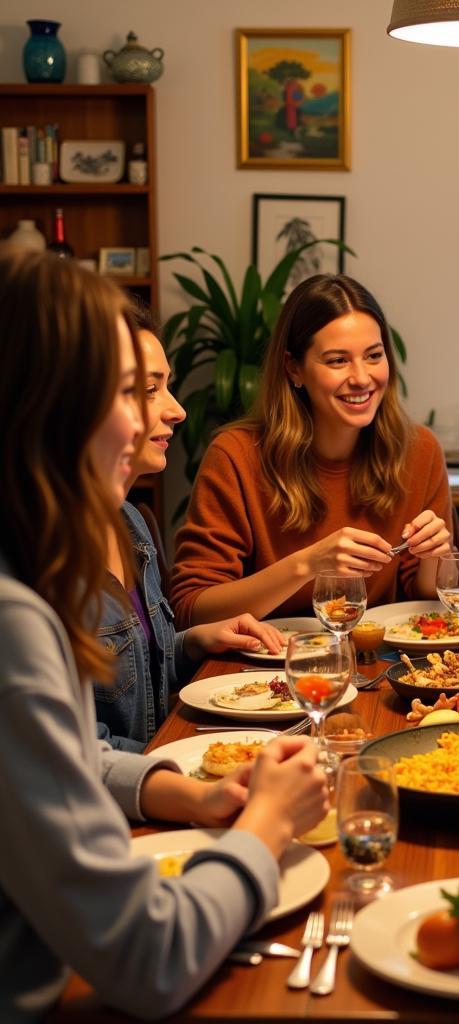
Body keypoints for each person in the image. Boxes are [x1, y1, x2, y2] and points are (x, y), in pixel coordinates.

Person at [0, 250, 329, 1021]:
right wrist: (268, 822)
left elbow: (71, 756)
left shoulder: (62, 556)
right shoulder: (16, 621)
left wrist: (189, 795)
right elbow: (147, 958)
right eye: (128, 391)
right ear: (49, 406)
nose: (157, 417)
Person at [171, 274, 452, 626]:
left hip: (373, 666)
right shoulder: (236, 455)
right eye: (337, 361)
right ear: (294, 369)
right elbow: (192, 607)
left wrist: (433, 555)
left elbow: (422, 598)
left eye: (374, 355)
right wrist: (308, 564)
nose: (362, 377)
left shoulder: (419, 450)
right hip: (261, 672)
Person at [96, 299, 285, 752]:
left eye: (168, 387)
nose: (178, 410)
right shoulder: (33, 561)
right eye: (147, 390)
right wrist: (189, 775)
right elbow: (71, 755)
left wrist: (192, 645)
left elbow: (138, 680)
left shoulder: (128, 523)